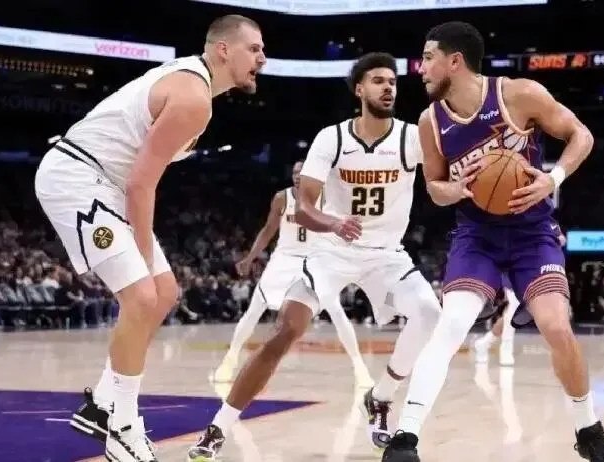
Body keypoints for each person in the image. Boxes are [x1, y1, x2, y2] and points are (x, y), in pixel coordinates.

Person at [382, 22, 604, 462]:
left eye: (428, 58)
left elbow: (581, 135)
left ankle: (587, 429)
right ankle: (405, 438)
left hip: (532, 233)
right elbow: (434, 186)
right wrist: (456, 189)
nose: (420, 68)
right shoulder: (430, 121)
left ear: (455, 61)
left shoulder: (518, 94)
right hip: (477, 236)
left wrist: (553, 177)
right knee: (451, 324)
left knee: (556, 327)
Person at [186, 52, 441, 461]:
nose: (388, 88)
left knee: (429, 312)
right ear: (359, 90)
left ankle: (381, 396)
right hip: (332, 252)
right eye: (378, 81)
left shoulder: (411, 138)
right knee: (286, 329)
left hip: (386, 256)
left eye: (392, 82)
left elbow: (440, 181)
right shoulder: (332, 138)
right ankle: (218, 428)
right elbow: (304, 208)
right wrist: (333, 222)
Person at [34, 15, 265, 462]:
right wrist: (142, 256)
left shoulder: (194, 85)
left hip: (107, 184)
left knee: (165, 293)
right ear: (223, 50)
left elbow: (138, 180)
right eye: (254, 48)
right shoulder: (193, 97)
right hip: (77, 177)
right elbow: (142, 184)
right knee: (142, 296)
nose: (262, 58)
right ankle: (122, 427)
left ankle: (103, 404)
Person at [214, 161, 374, 387]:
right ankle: (230, 359)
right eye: (294, 172)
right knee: (254, 310)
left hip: (314, 259)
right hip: (284, 259)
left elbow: (341, 227)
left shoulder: (327, 196)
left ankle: (359, 368)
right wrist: (250, 258)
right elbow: (268, 230)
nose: (297, 175)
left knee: (336, 311)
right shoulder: (282, 198)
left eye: (302, 172)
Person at [474, 229, 566, 366]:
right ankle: (505, 350)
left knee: (512, 313)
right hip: (513, 269)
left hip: (533, 269)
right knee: (513, 309)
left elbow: (562, 240)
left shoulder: (547, 222)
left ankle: (484, 342)